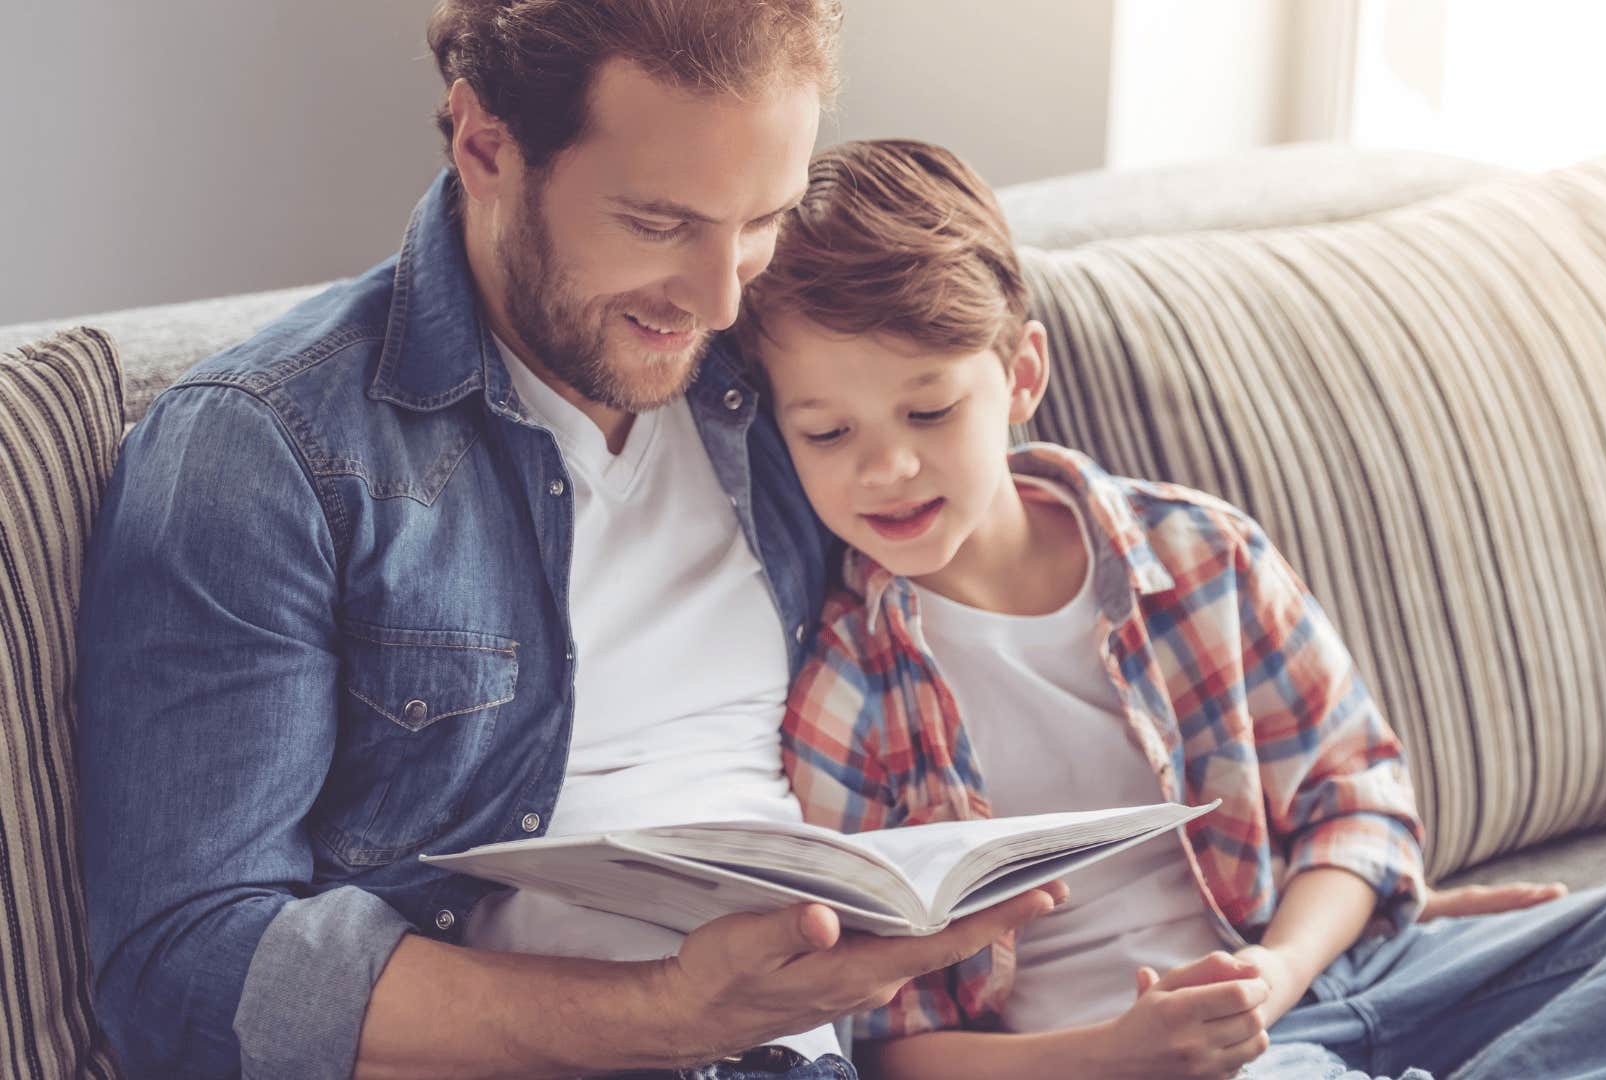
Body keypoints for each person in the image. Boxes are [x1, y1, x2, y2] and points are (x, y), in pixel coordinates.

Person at [73, 6, 1069, 1078]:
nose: (720, 295)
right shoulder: (266, 450)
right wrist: (672, 1012)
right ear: (486, 147)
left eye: (762, 219)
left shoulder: (783, 378)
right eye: (659, 223)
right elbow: (184, 967)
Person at [743, 138, 1606, 1080]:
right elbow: (886, 1043)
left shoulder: (1198, 555)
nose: (887, 469)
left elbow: (1361, 809)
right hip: (1133, 1063)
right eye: (829, 434)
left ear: (1021, 376)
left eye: (930, 410)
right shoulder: (848, 696)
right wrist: (1118, 1053)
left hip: (1340, 976)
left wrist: (1282, 970)